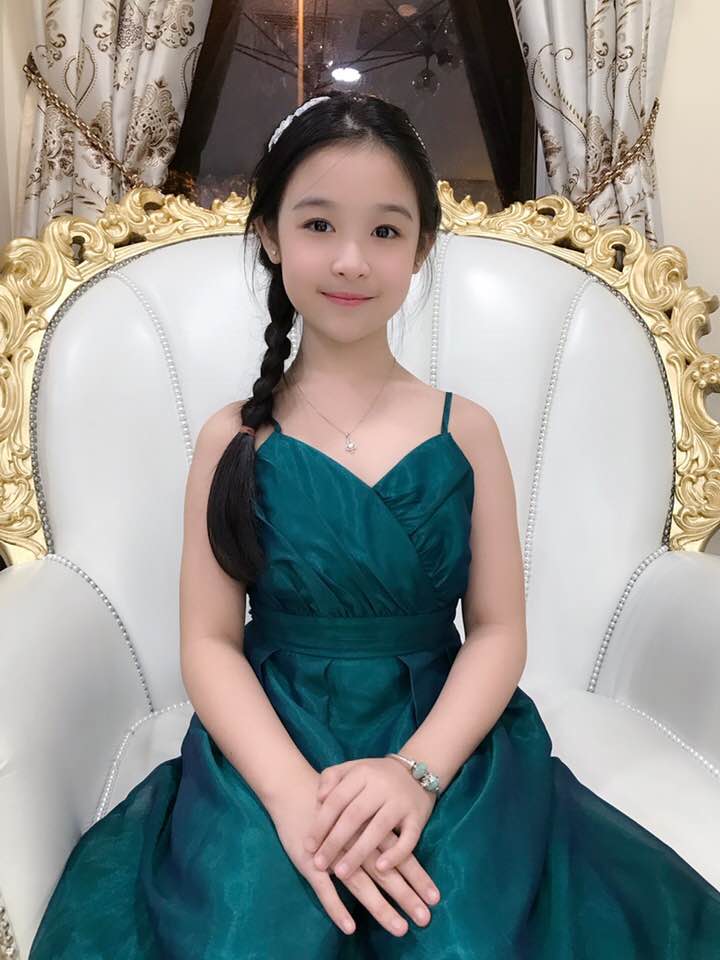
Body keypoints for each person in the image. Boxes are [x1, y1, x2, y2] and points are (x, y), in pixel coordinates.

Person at [29, 90, 720, 959]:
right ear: (270, 235)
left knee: (463, 936)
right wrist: (290, 795)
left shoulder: (468, 430)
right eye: (318, 224)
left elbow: (498, 632)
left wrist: (416, 774)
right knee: (246, 934)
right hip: (274, 733)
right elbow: (208, 643)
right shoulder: (230, 439)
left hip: (440, 737)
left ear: (421, 247)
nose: (351, 259)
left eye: (386, 231)